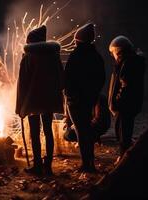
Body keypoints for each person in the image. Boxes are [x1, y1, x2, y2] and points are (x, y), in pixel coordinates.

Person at [16, 25, 64, 175]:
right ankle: (48, 165)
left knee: (35, 133)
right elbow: (62, 80)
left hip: (32, 102)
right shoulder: (54, 56)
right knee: (48, 131)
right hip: (49, 100)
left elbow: (22, 85)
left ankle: (37, 165)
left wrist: (19, 107)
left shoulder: (28, 57)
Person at [65, 23, 105, 172]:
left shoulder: (76, 56)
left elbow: (67, 78)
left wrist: (70, 95)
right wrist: (93, 95)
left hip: (76, 102)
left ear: (79, 40)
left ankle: (86, 164)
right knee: (86, 130)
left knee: (82, 133)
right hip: (89, 100)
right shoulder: (96, 56)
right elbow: (101, 78)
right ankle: (90, 163)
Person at [108, 36, 146, 156]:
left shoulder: (129, 63)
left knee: (124, 135)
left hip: (125, 106)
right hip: (127, 105)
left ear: (118, 50)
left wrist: (117, 103)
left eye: (113, 52)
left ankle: (124, 159)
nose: (113, 55)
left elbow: (126, 86)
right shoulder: (127, 61)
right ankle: (124, 156)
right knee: (123, 133)